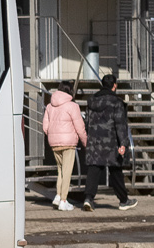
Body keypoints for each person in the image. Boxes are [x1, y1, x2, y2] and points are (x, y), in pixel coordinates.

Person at [82, 74, 137, 211]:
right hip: (111, 142)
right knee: (116, 171)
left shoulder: (92, 101)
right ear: (114, 85)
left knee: (94, 170)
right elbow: (120, 125)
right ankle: (123, 200)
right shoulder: (116, 102)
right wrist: (123, 144)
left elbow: (87, 123)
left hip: (95, 141)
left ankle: (89, 198)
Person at [41, 81, 86, 211]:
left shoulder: (50, 106)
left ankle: (58, 196)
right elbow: (80, 127)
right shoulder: (73, 106)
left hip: (54, 143)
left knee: (60, 171)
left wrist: (53, 135)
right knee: (66, 173)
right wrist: (85, 142)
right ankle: (63, 200)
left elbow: (45, 127)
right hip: (68, 143)